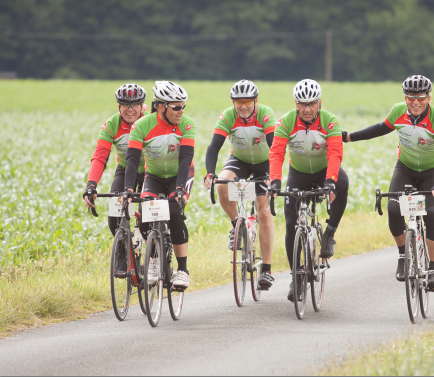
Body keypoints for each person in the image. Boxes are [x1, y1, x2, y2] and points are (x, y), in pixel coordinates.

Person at [342, 75, 434, 291]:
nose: (416, 102)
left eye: (420, 97)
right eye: (411, 97)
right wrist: (349, 137)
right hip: (405, 168)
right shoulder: (398, 111)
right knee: (393, 209)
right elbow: (380, 128)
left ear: (429, 97)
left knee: (431, 213)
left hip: (431, 172)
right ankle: (403, 255)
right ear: (405, 97)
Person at [269, 79, 349, 302]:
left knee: (343, 183)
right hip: (299, 174)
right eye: (302, 104)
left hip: (325, 172)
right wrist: (275, 182)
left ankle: (330, 232)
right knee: (290, 224)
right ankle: (296, 276)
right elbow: (276, 153)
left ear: (319, 103)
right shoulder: (286, 121)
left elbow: (335, 153)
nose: (306, 109)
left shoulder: (329, 121)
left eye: (311, 104)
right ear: (296, 103)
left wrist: (330, 181)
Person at [204, 80, 277, 290]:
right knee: (222, 184)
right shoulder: (228, 116)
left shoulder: (265, 113)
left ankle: (267, 270)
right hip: (240, 161)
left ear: (255, 101)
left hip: (265, 163)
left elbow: (274, 146)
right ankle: (236, 224)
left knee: (264, 213)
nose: (243, 106)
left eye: (247, 102)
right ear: (233, 102)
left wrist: (272, 175)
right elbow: (214, 147)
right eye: (238, 102)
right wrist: (211, 173)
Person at [122, 81, 196, 289]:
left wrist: (180, 188)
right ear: (161, 107)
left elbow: (185, 159)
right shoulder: (142, 125)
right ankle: (153, 259)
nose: (181, 111)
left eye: (183, 106)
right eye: (176, 107)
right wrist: (128, 189)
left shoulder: (187, 124)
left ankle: (182, 270)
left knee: (174, 209)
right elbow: (132, 159)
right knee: (145, 215)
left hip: (180, 175)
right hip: (153, 175)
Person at [82, 83, 148, 235]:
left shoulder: (150, 121)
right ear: (119, 106)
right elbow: (99, 158)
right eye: (125, 104)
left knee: (148, 218)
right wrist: (91, 185)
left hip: (149, 171)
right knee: (114, 220)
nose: (130, 109)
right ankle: (125, 251)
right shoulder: (111, 125)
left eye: (135, 105)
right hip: (125, 169)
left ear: (142, 105)